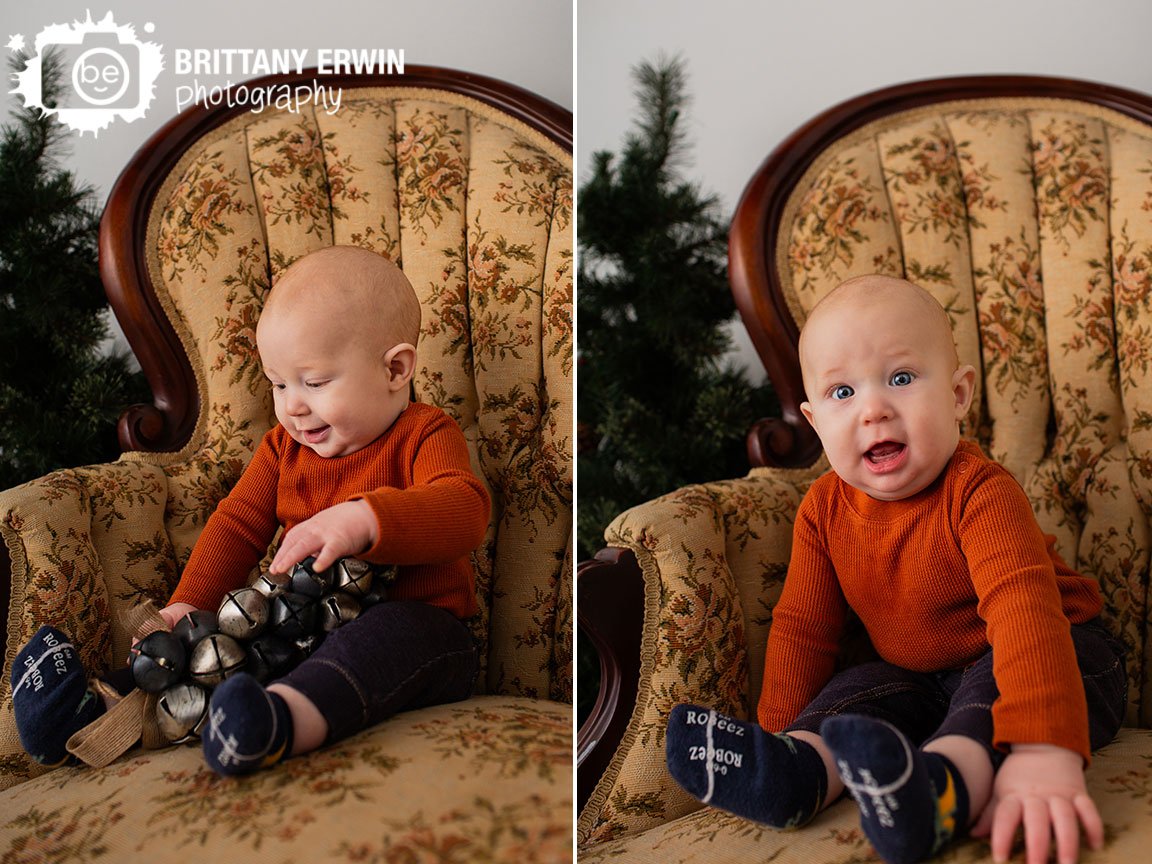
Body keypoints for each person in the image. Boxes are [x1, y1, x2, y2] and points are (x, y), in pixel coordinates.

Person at [665, 275, 1127, 864]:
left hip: (1059, 654)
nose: (874, 409)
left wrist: (1043, 749)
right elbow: (802, 630)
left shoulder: (979, 492)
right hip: (920, 674)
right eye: (841, 393)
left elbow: (1024, 613)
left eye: (902, 379)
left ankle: (939, 793)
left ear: (958, 395)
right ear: (813, 421)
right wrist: (781, 728)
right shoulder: (822, 511)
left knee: (984, 698)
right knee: (855, 693)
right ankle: (796, 770)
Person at [12, 245, 490, 776]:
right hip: (292, 631)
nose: (292, 405)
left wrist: (364, 519)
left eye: (315, 382)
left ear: (395, 369)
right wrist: (185, 608)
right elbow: (236, 526)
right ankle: (84, 714)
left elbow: (465, 509)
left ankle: (277, 723)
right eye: (278, 384)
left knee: (386, 635)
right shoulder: (282, 451)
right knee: (219, 649)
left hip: (426, 637)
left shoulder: (425, 433)